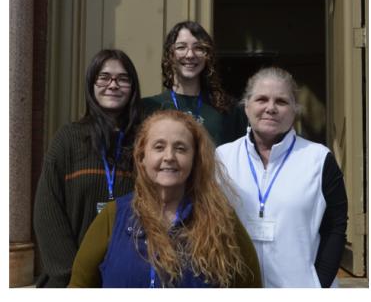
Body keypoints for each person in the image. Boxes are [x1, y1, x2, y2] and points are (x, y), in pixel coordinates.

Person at [69, 110, 261, 287]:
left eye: (180, 149)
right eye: (159, 147)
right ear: (142, 157)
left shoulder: (222, 221)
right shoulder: (113, 217)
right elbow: (78, 287)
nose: (169, 156)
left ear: (195, 160)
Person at [216, 67, 347, 288]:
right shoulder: (222, 158)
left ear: (295, 110)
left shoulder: (318, 158)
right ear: (246, 106)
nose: (270, 108)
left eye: (281, 101)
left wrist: (319, 286)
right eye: (261, 99)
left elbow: (335, 227)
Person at [33, 49, 143, 287]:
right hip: (71, 282)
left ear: (133, 88)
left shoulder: (144, 144)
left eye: (122, 79)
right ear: (91, 85)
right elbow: (47, 211)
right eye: (104, 77)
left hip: (127, 280)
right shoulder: (68, 139)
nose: (113, 84)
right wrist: (72, 276)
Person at [142, 20, 246, 145]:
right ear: (170, 55)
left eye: (198, 48)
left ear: (208, 56)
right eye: (181, 47)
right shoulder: (149, 107)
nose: (190, 55)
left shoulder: (229, 110)